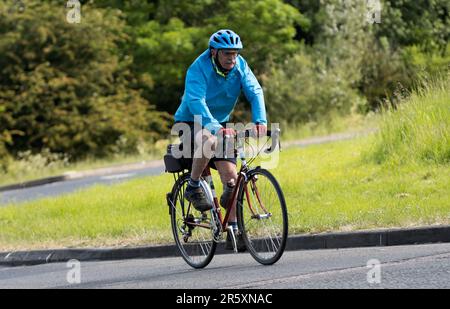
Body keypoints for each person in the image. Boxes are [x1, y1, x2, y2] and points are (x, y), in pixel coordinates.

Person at [174, 29, 268, 250]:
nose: (232, 58)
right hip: (191, 121)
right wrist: (215, 127)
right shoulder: (198, 68)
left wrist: (260, 121)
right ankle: (194, 186)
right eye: (227, 54)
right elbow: (196, 101)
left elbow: (255, 91)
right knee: (209, 140)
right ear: (214, 52)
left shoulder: (240, 65)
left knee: (232, 178)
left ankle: (234, 228)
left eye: (235, 53)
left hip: (220, 123)